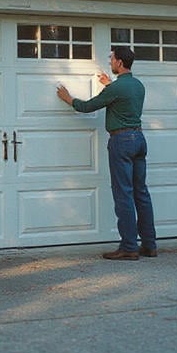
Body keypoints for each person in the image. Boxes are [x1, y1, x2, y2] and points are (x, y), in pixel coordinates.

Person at [56, 46, 157, 260]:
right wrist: (110, 85)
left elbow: (87, 106)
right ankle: (149, 245)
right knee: (141, 193)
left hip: (121, 141)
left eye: (112, 59)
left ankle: (129, 247)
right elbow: (123, 100)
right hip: (139, 139)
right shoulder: (138, 86)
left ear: (119, 63)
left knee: (124, 194)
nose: (110, 63)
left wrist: (68, 98)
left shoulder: (116, 88)